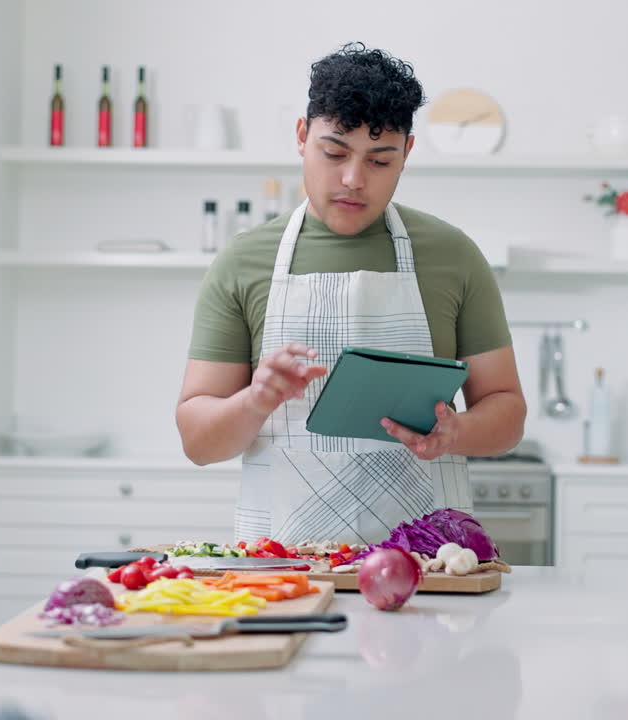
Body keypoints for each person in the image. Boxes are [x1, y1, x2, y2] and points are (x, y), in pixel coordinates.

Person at [176, 42, 526, 545]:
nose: (352, 180)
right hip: (283, 570)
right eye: (334, 152)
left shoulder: (454, 257)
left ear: (407, 152)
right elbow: (197, 442)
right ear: (302, 136)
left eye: (380, 161)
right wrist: (256, 399)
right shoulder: (242, 262)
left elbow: (506, 410)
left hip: (429, 569)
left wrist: (458, 433)